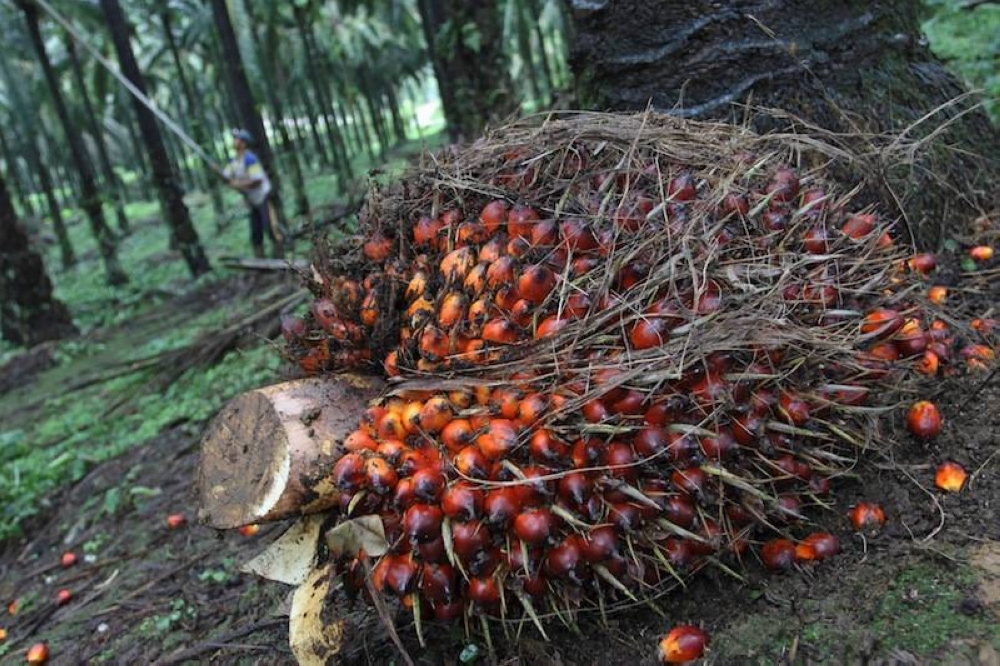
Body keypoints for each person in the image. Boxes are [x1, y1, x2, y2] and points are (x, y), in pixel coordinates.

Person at [223, 129, 283, 258]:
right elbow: (225, 176)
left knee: (271, 229)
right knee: (256, 232)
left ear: (243, 143)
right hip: (252, 201)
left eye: (237, 139)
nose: (234, 141)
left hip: (262, 197)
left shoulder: (250, 158)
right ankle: (261, 261)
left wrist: (237, 185)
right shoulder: (234, 161)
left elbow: (257, 180)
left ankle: (281, 258)